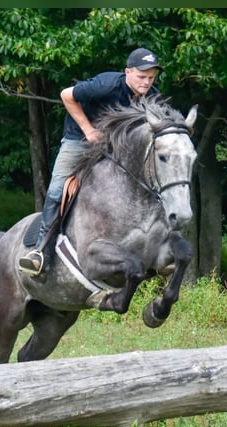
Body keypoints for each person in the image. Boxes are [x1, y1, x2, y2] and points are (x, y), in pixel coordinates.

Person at [18, 47, 163, 277]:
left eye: (151, 77)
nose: (147, 82)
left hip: (116, 148)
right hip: (80, 140)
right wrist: (88, 130)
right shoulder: (107, 85)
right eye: (142, 76)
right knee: (58, 188)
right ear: (127, 72)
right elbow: (66, 95)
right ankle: (40, 252)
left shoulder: (152, 94)